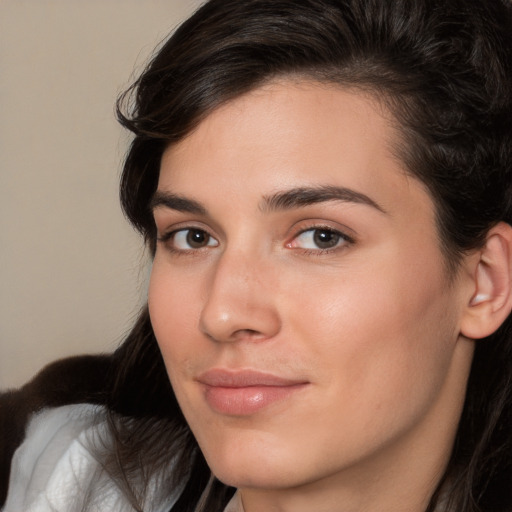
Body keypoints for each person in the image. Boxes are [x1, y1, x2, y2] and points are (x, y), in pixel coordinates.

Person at [1, 0, 511, 511]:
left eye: (321, 237)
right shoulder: (78, 481)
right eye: (193, 237)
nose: (222, 313)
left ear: (485, 282)